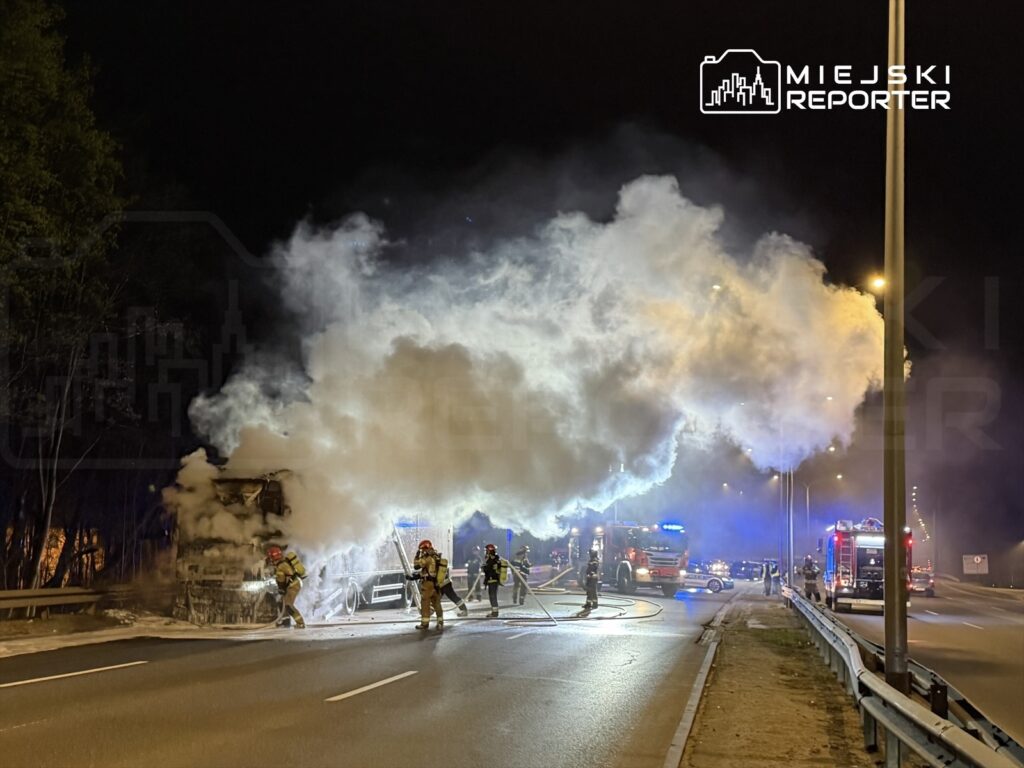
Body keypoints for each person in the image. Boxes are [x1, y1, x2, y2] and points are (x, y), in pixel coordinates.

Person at [267, 545, 306, 628]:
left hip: (293, 585)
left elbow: (281, 579)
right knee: (284, 603)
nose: (270, 559)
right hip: (293, 584)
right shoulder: (283, 562)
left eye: (270, 557)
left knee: (288, 605)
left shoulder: (280, 566)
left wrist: (281, 588)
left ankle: (300, 623)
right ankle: (285, 621)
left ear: (273, 557)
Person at [408, 539, 444, 630]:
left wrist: (416, 556)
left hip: (428, 585)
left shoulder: (427, 558)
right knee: (437, 604)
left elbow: (416, 566)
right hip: (436, 584)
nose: (422, 552)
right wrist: (417, 576)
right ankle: (440, 622)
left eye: (422, 550)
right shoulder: (436, 556)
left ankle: (424, 624)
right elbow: (428, 572)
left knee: (425, 603)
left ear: (425, 548)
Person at [435, 549, 469, 616]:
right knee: (453, 597)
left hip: (443, 585)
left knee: (436, 599)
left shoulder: (435, 564)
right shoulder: (441, 563)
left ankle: (428, 613)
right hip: (445, 583)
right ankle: (464, 610)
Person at [481, 543, 503, 618]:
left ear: (489, 551)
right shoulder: (495, 558)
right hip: (493, 580)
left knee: (492, 596)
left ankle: (495, 613)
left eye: (486, 550)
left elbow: (488, 569)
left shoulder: (492, 559)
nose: (485, 552)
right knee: (492, 596)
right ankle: (494, 612)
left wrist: (484, 568)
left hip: (493, 580)